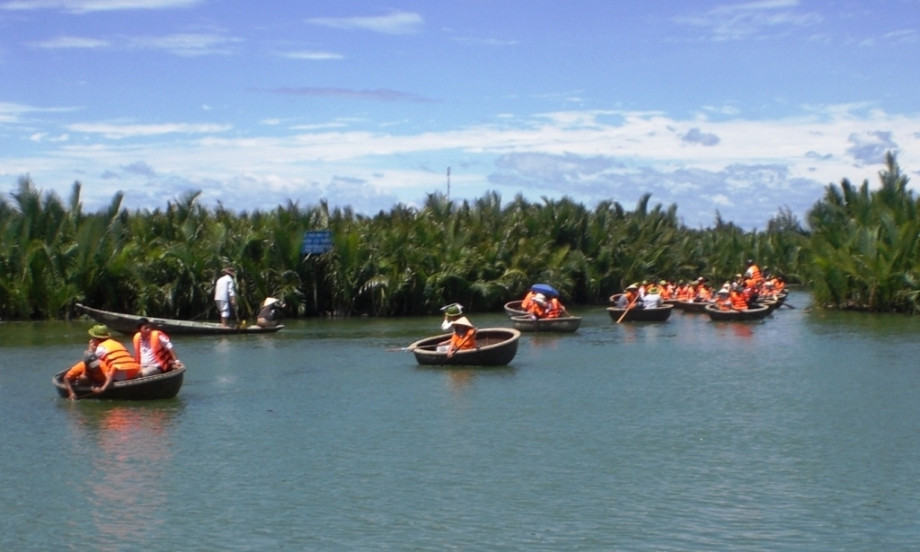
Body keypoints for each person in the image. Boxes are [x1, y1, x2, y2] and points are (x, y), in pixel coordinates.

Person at [62, 325, 142, 400]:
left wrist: (90, 349)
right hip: (134, 370)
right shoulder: (116, 342)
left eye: (93, 338)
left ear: (96, 339)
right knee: (84, 377)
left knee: (83, 378)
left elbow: (91, 358)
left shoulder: (99, 351)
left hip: (118, 375)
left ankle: (94, 385)